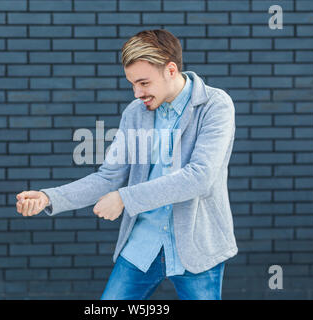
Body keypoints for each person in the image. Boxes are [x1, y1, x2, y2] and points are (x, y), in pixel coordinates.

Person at [16, 29, 238, 300]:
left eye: (143, 83)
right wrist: (49, 197)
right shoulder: (135, 113)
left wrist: (124, 198)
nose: (137, 93)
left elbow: (199, 177)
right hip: (142, 245)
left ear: (170, 70)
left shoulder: (215, 105)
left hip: (197, 246)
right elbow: (109, 177)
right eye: (132, 84)